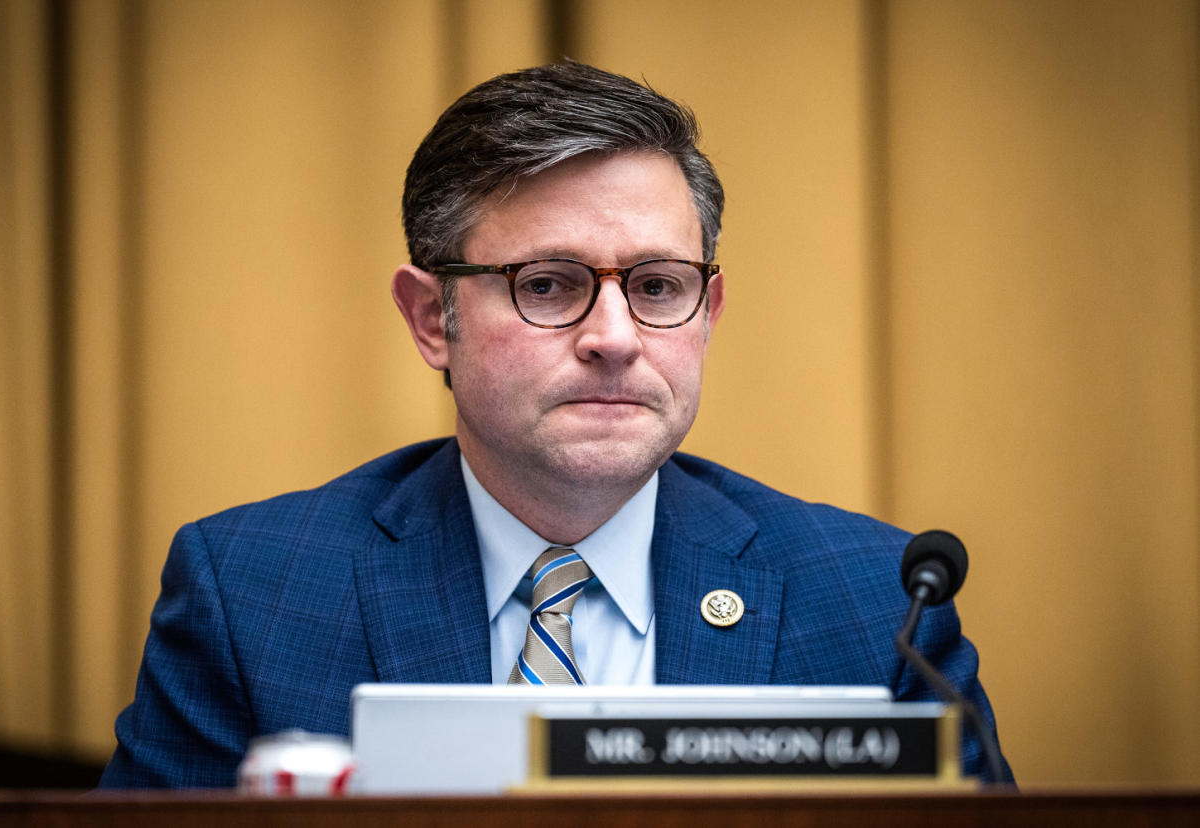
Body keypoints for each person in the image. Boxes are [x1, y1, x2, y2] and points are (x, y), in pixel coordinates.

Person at [99, 62, 1013, 788]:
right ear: (431, 320)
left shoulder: (873, 608)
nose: (614, 339)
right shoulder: (255, 596)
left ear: (708, 311)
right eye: (547, 285)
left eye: (657, 287)